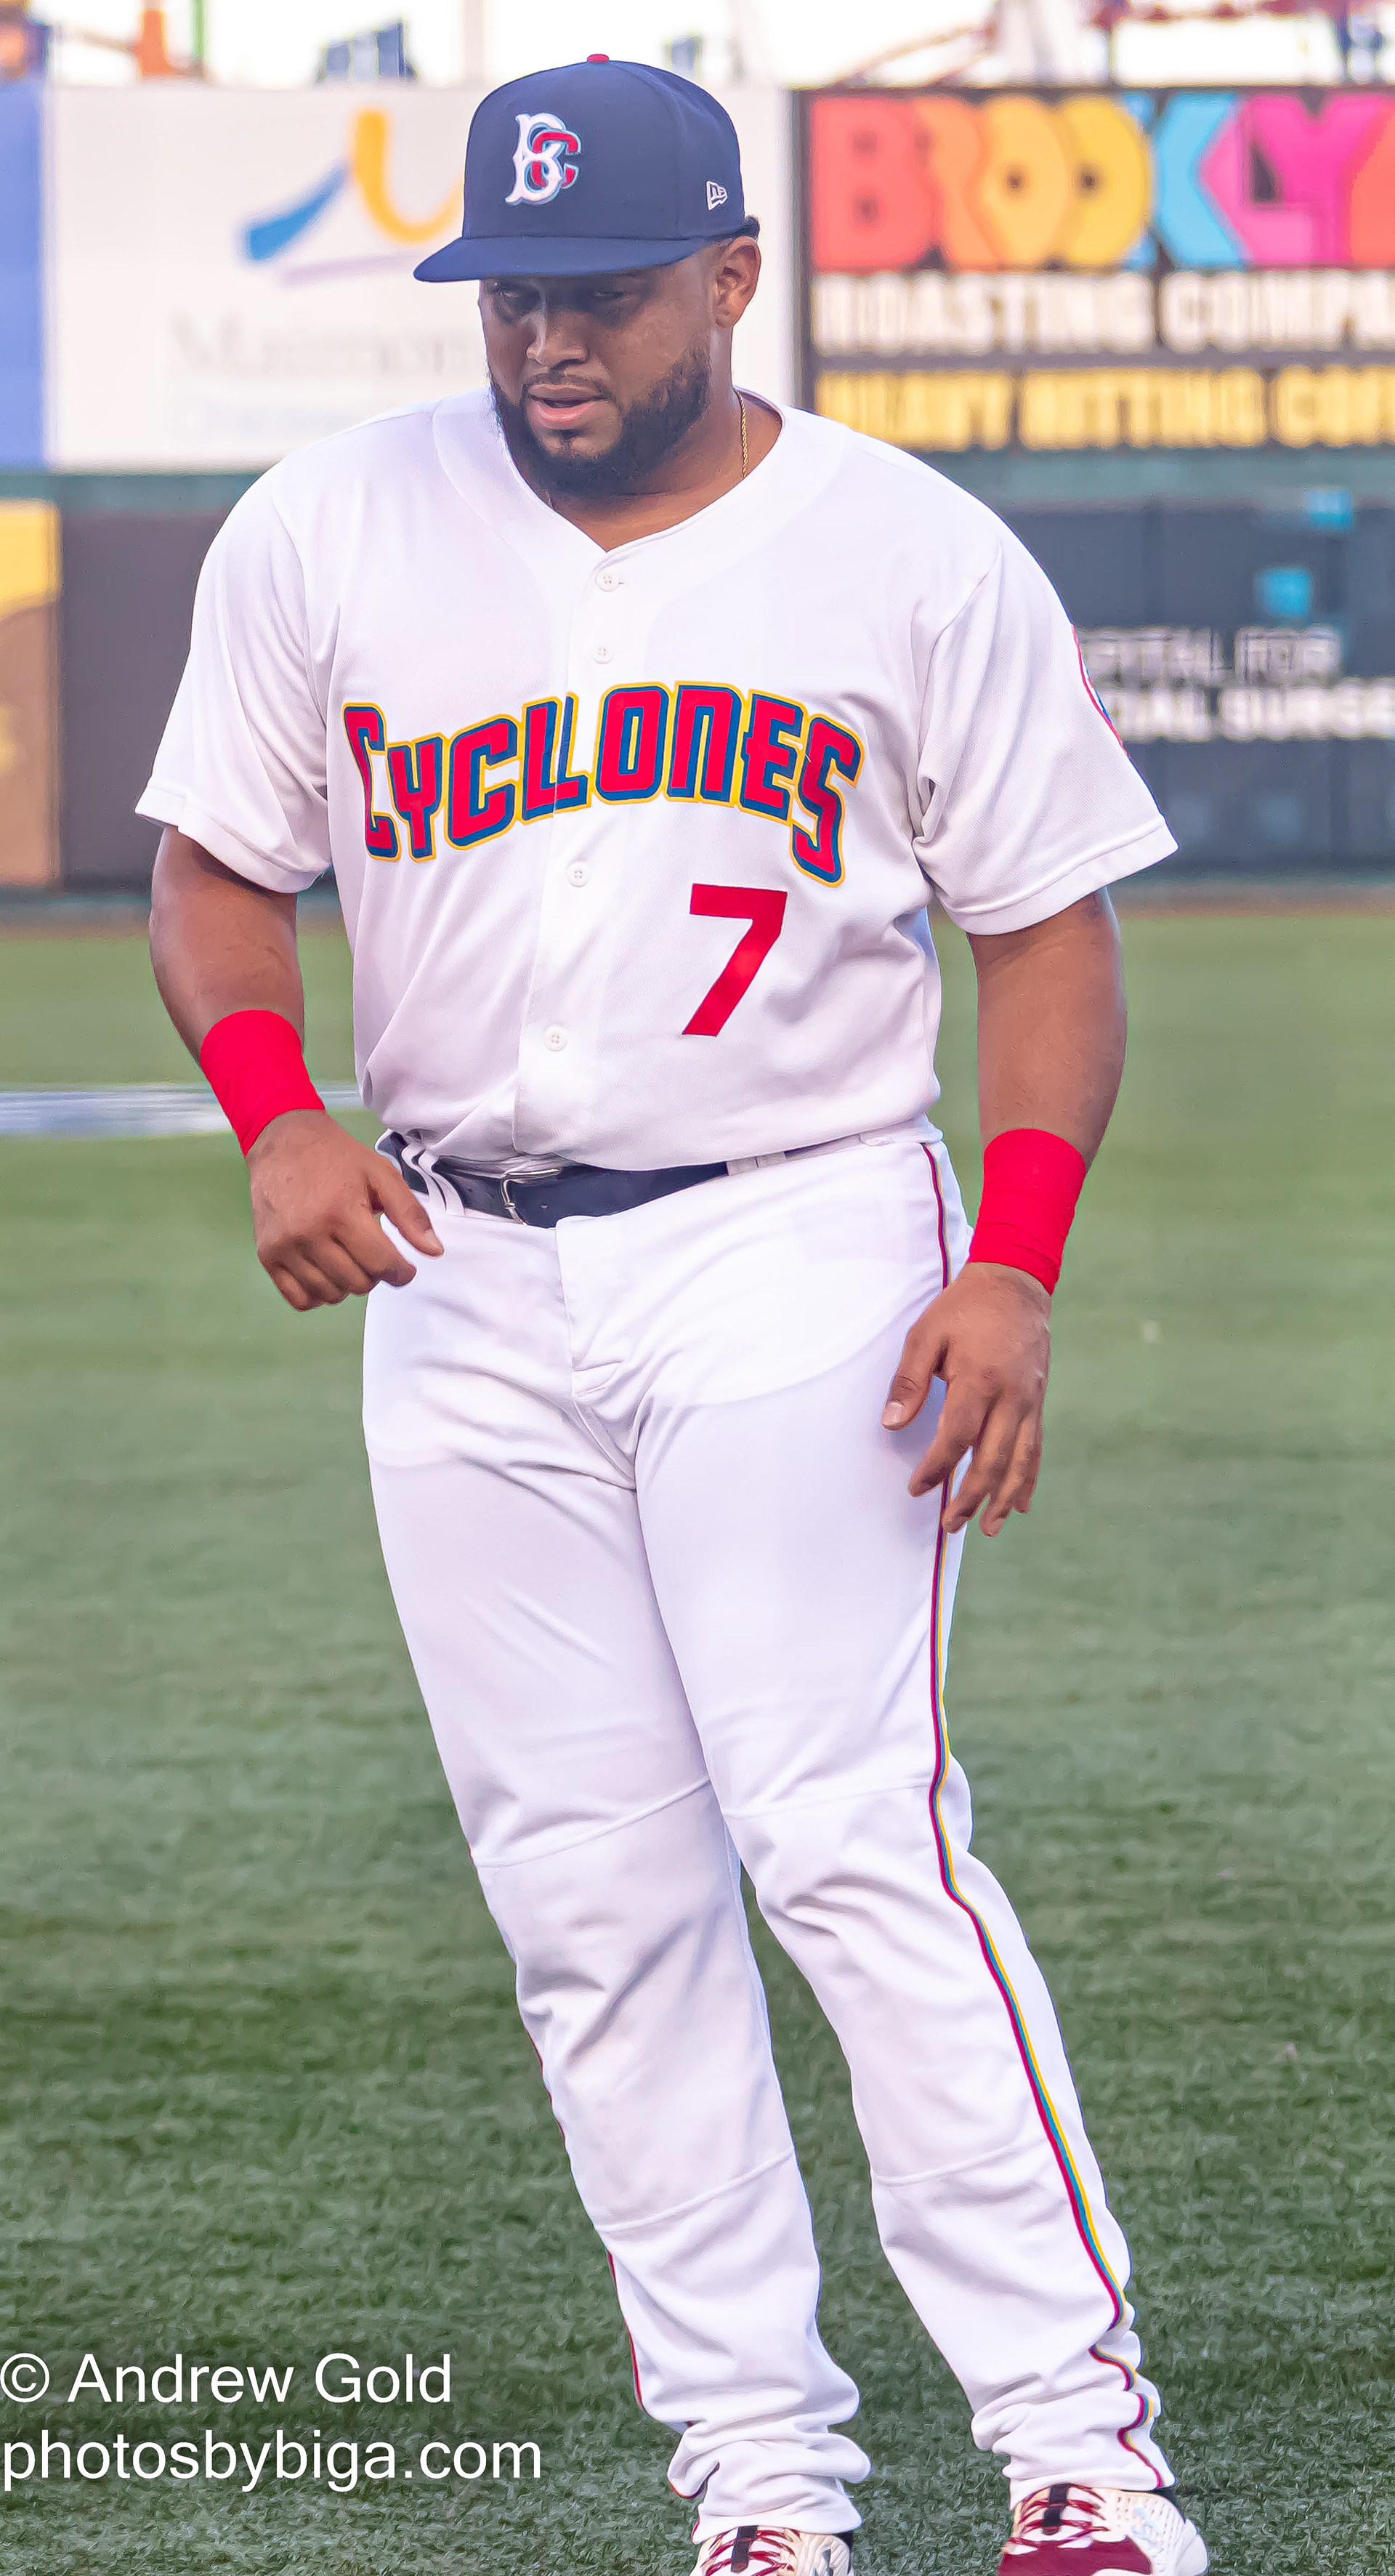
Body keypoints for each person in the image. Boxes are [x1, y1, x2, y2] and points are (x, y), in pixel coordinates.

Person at [143, 57, 1207, 2576]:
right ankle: (759, 2475)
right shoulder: (332, 525)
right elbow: (211, 873)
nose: (547, 348)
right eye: (513, 301)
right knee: (592, 1903)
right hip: (460, 1265)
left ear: (734, 276)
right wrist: (278, 1106)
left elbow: (1046, 932)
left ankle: (1077, 2450)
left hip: (799, 1231)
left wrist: (1016, 1261)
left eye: (601, 293)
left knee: (852, 1846)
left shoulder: (909, 553)